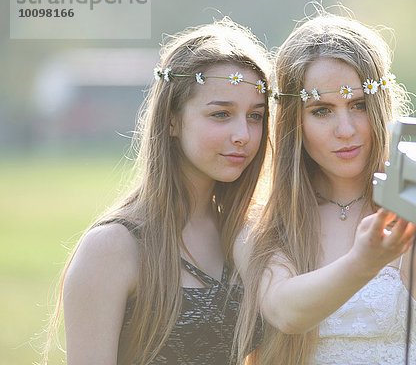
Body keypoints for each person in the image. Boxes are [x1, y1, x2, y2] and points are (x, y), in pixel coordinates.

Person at [234, 7, 416, 365]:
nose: (346, 129)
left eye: (358, 105)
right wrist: (364, 262)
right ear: (295, 121)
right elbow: (285, 312)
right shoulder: (265, 223)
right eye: (322, 110)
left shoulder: (415, 202)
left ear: (379, 106)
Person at [45, 18, 272, 364]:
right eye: (221, 114)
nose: (243, 134)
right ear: (172, 120)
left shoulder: (246, 233)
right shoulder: (113, 247)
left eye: (255, 116)